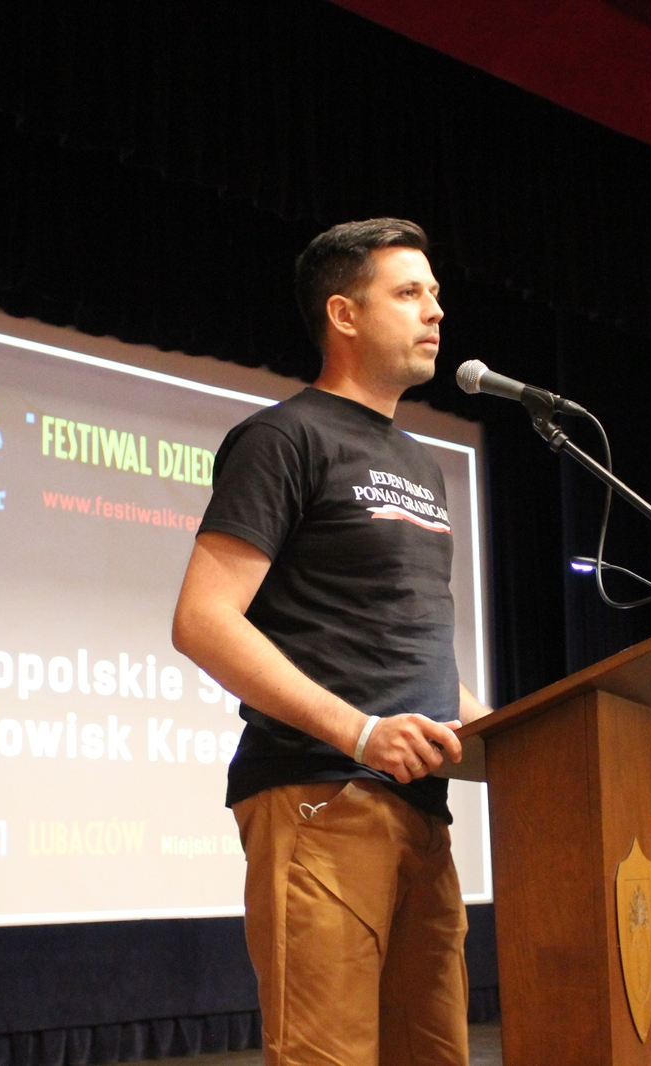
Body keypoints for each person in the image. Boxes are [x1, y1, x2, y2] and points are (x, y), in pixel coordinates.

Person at [172, 217, 490, 1066]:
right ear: (344, 315)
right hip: (322, 795)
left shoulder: (422, 464)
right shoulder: (285, 438)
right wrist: (360, 732)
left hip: (421, 811)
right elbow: (204, 620)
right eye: (409, 293)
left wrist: (510, 735)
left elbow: (408, 648)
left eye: (435, 294)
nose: (436, 311)